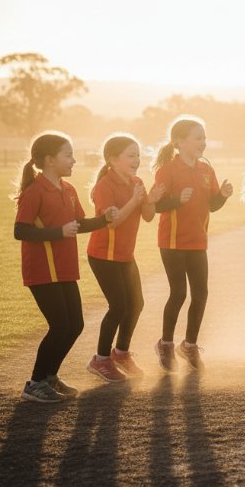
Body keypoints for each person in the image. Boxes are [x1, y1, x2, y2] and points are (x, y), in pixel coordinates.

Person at [13, 132, 116, 402]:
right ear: (49, 160)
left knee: (75, 325)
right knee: (59, 325)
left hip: (65, 268)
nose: (74, 160)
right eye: (68, 155)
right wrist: (58, 232)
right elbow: (20, 230)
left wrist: (104, 219)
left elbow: (79, 223)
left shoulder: (68, 190)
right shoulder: (34, 191)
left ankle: (49, 377)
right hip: (42, 270)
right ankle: (34, 383)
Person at [151, 116, 233, 372]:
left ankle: (189, 345)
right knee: (179, 293)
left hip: (198, 242)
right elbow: (156, 206)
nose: (203, 143)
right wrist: (176, 199)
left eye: (204, 138)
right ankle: (166, 344)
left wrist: (223, 195)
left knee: (201, 293)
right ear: (179, 142)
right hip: (173, 242)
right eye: (198, 138)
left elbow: (212, 205)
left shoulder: (207, 169)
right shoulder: (167, 170)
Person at [86, 134, 164, 382]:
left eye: (138, 155)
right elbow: (113, 222)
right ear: (112, 159)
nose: (136, 160)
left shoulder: (137, 181)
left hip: (125, 255)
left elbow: (149, 216)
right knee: (118, 306)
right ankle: (100, 360)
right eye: (130, 155)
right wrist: (135, 198)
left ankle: (121, 353)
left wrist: (150, 200)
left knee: (136, 303)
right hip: (103, 255)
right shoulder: (104, 187)